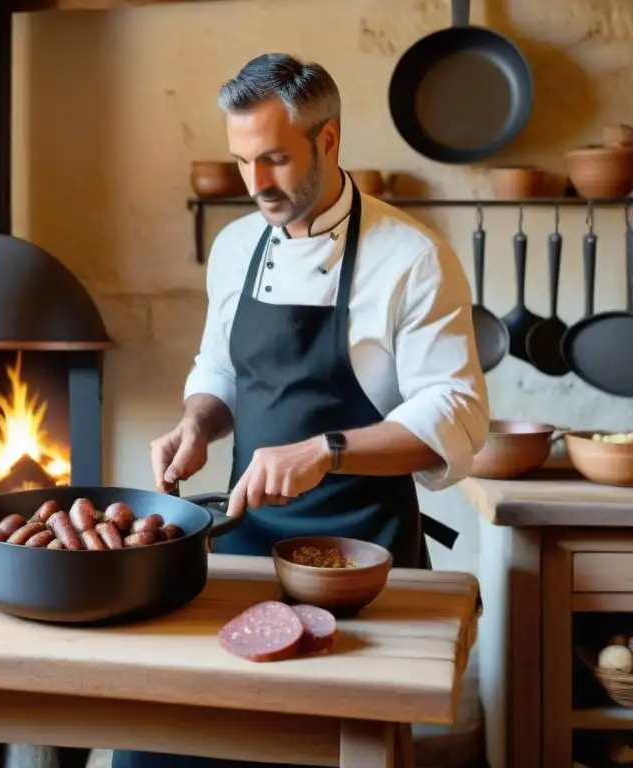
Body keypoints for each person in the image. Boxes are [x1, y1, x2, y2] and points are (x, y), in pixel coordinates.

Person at [112, 53, 490, 768]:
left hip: (362, 561)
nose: (256, 185)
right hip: (243, 551)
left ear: (329, 140)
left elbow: (458, 411)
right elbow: (220, 369)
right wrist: (197, 423)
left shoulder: (411, 258)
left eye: (276, 159)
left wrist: (328, 450)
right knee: (159, 744)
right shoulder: (234, 249)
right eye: (242, 161)